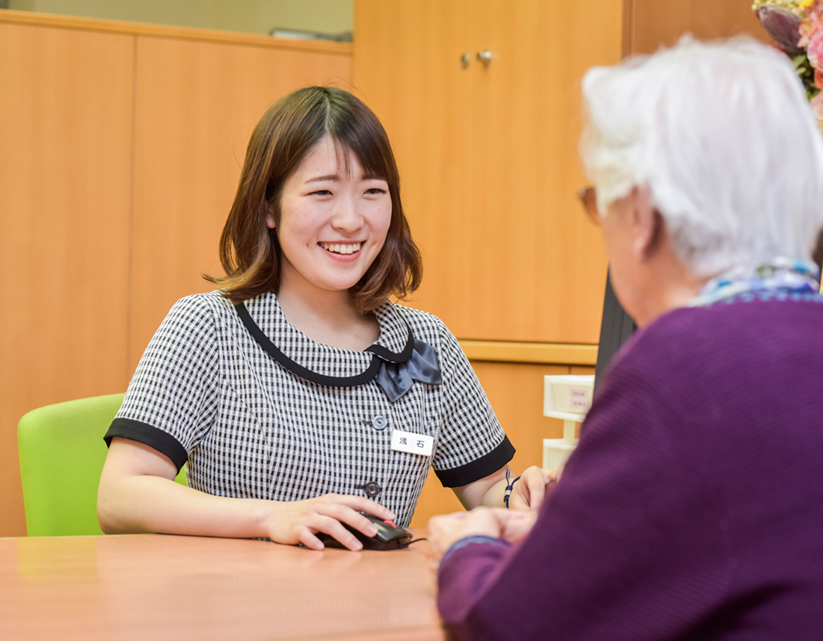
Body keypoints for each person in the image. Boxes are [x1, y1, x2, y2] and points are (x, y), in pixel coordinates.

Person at [427, 37, 823, 639]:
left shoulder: (681, 367)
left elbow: (511, 624)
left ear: (642, 216)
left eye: (601, 205)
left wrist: (469, 549)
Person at [97, 86, 553, 551]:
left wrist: (522, 495)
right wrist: (272, 516)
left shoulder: (425, 344)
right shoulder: (209, 325)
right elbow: (120, 495)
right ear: (269, 207)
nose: (351, 220)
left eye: (372, 191)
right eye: (322, 193)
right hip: (242, 609)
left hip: (378, 611)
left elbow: (487, 489)